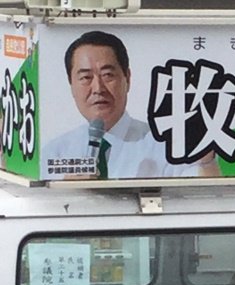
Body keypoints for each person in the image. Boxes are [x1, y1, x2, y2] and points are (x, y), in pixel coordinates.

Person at [42, 30, 220, 180]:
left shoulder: (165, 146)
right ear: (71, 84)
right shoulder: (55, 151)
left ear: (127, 78)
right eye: (85, 77)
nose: (98, 88)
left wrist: (206, 160)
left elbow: (203, 196)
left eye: (108, 75)